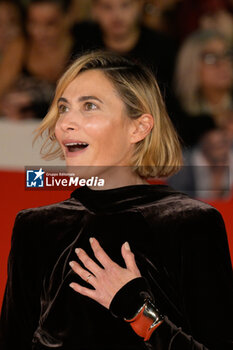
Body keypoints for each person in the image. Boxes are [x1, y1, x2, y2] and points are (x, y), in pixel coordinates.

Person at [0, 51, 232, 350]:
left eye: (89, 106)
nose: (66, 123)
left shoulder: (190, 223)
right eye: (63, 108)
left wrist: (137, 311)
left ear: (139, 127)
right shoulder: (35, 227)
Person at [0, 0, 75, 120]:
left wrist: (37, 107)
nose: (39, 32)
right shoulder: (21, 47)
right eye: (32, 23)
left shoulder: (83, 48)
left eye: (50, 24)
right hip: (23, 129)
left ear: (68, 18)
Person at [173, 29, 233, 148]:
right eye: (210, 58)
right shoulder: (177, 117)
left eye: (227, 55)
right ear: (191, 65)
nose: (222, 64)